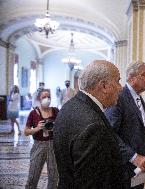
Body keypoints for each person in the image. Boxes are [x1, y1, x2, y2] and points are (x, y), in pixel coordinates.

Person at [53, 60, 125, 189]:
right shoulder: (94, 127)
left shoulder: (70, 106)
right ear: (103, 86)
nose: (121, 88)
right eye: (118, 81)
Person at [105, 60, 145, 189]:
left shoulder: (138, 98)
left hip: (141, 168)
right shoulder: (119, 97)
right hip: (125, 167)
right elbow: (109, 134)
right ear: (131, 78)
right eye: (144, 75)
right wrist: (133, 157)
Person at [24, 89, 59, 189]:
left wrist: (56, 126)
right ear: (39, 99)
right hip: (39, 145)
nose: (47, 99)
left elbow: (63, 127)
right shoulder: (34, 113)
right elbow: (26, 132)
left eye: (49, 97)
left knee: (54, 176)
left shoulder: (56, 111)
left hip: (53, 145)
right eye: (44, 97)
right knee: (33, 174)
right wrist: (37, 128)